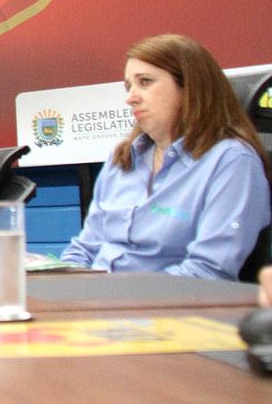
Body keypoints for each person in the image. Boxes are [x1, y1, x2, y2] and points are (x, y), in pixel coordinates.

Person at [60, 35, 271, 280]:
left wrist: (110, 293)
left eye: (145, 82)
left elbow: (208, 270)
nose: (131, 98)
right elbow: (85, 249)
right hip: (98, 296)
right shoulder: (121, 159)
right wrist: (62, 282)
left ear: (190, 88)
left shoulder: (232, 161)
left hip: (166, 300)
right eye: (129, 87)